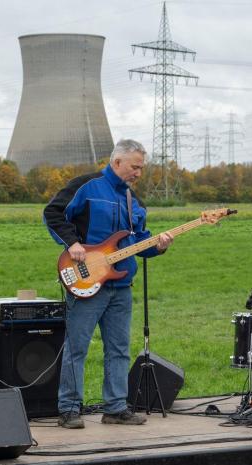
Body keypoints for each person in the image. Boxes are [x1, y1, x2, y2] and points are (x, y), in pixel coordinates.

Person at [43, 139, 173, 429]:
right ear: (117, 162)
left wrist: (160, 245)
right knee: (77, 347)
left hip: (121, 285)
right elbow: (52, 214)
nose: (138, 173)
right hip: (87, 281)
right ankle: (69, 409)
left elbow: (140, 242)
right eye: (134, 167)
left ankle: (115, 408)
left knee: (119, 349)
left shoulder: (135, 201)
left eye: (142, 168)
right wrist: (73, 242)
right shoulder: (86, 186)